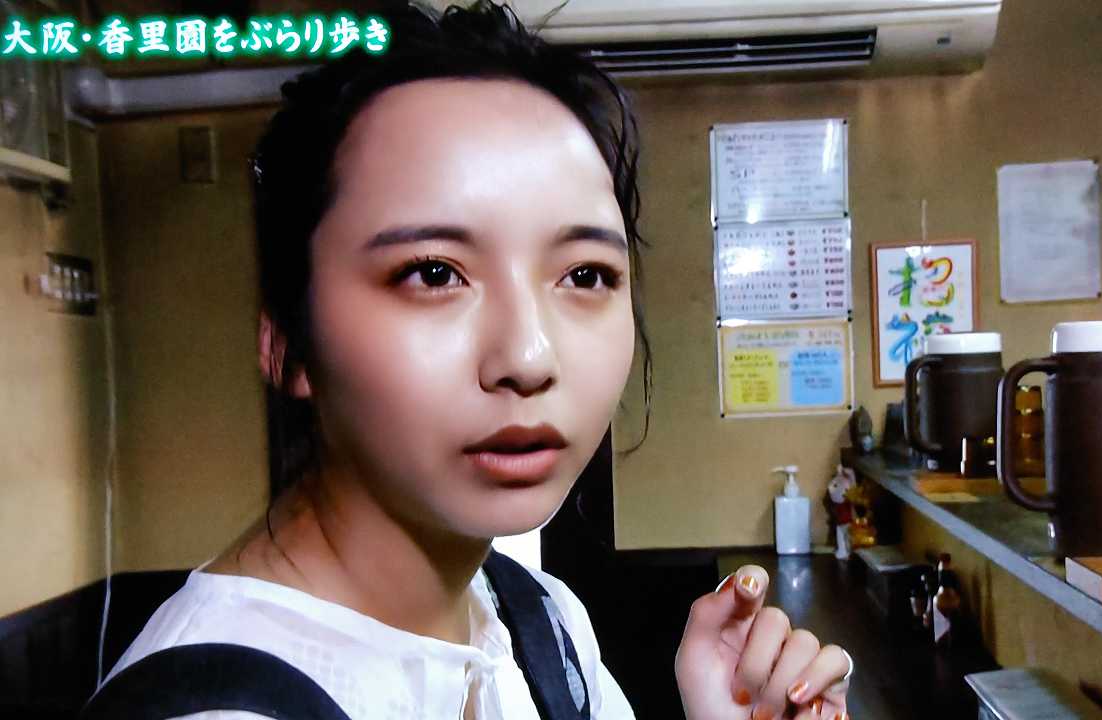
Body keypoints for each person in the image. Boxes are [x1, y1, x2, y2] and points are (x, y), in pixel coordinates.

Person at [87, 3, 854, 720]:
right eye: (433, 273)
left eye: (585, 275)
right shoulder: (222, 706)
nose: (528, 357)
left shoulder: (539, 622)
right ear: (286, 340)